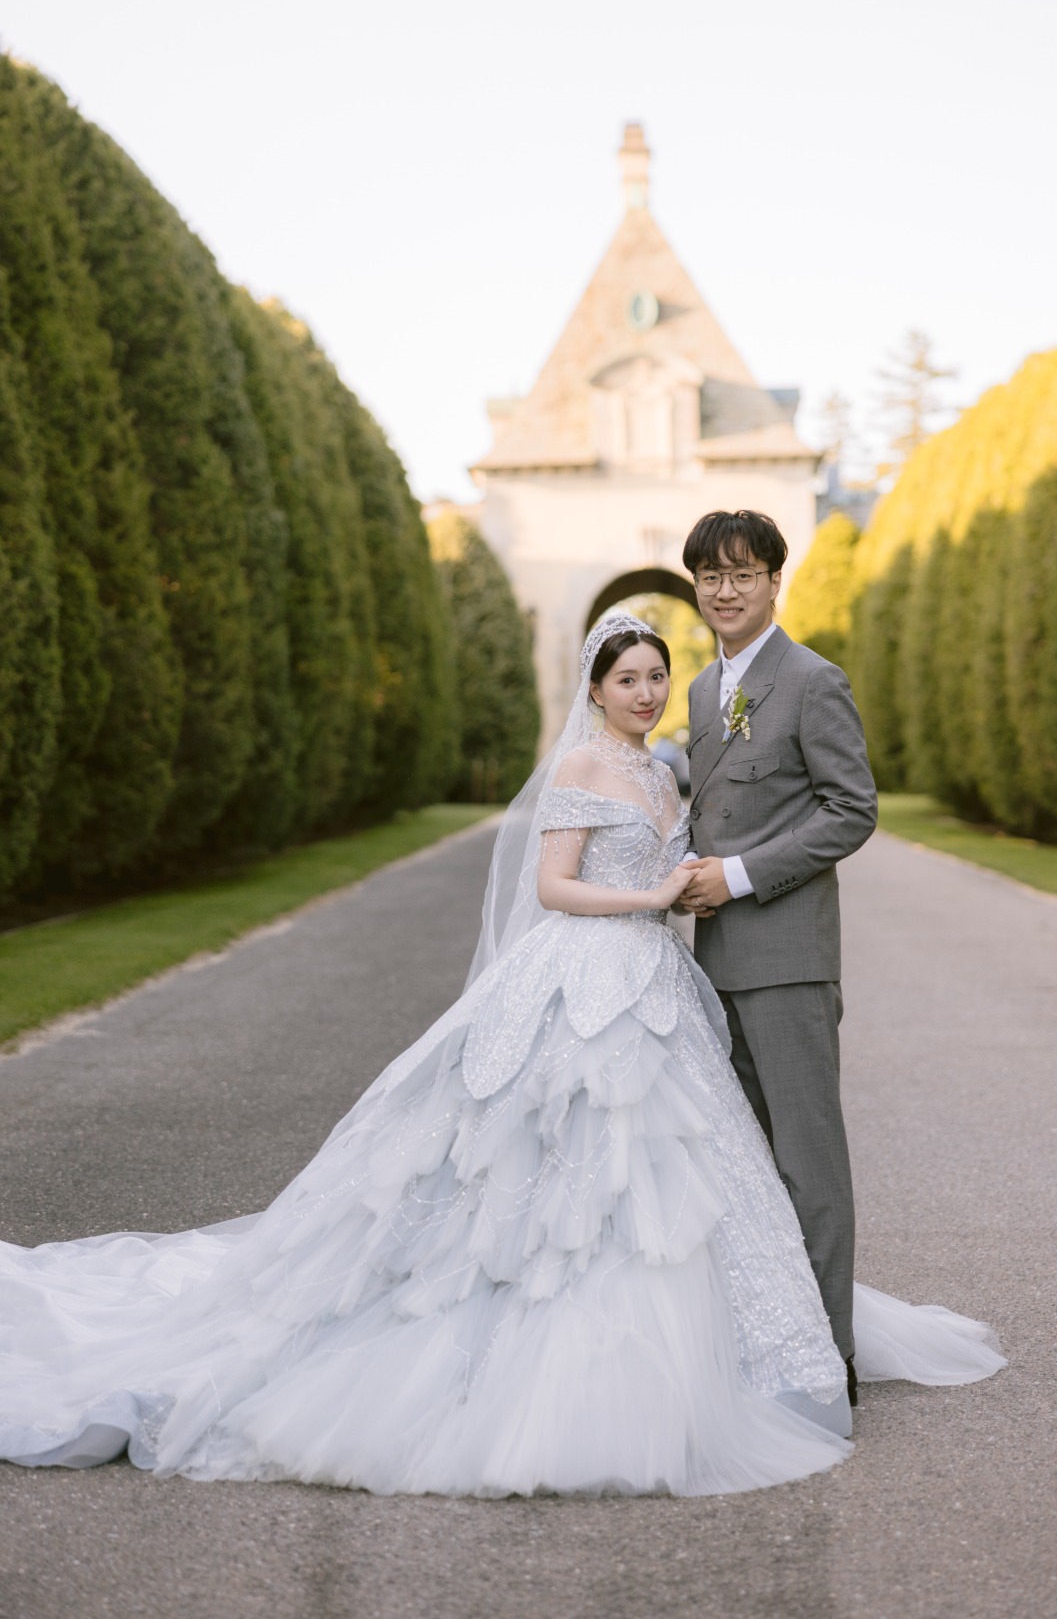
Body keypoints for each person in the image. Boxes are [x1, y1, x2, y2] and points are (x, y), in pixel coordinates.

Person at [0, 614, 1003, 1499]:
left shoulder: (664, 769)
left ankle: (722, 1346)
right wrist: (647, 898)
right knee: (545, 1162)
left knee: (686, 1168)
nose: (648, 692)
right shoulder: (580, 770)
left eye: (657, 676)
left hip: (657, 987)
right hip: (585, 972)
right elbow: (558, 885)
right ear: (596, 688)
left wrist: (697, 880)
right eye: (628, 680)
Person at [679, 509, 874, 1397]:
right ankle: (770, 1340)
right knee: (748, 1169)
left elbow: (851, 810)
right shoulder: (698, 692)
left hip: (789, 959)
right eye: (710, 577)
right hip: (714, 966)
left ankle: (828, 1361)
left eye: (743, 575)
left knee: (808, 1162)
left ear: (772, 583)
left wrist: (743, 876)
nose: (726, 591)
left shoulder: (811, 680)